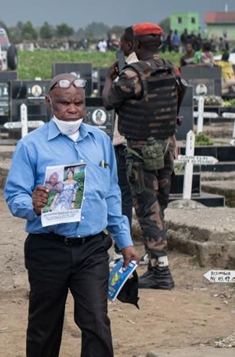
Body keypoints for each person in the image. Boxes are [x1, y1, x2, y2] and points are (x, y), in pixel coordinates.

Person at [4, 73, 140, 357]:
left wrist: (124, 240)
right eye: (64, 103)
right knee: (44, 326)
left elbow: (112, 196)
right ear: (49, 103)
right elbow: (14, 197)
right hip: (48, 248)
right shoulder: (31, 146)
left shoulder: (99, 143)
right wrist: (30, 204)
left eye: (79, 102)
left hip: (93, 248)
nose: (72, 109)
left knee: (96, 324)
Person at [103, 22, 186, 290]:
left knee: (147, 209)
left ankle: (161, 270)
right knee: (159, 207)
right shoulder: (170, 68)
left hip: (140, 149)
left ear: (136, 46)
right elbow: (181, 90)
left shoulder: (132, 75)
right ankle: (156, 263)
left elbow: (109, 101)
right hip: (164, 147)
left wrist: (108, 79)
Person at [106, 27, 138, 229]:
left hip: (125, 140)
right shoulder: (156, 68)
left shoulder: (130, 71)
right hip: (148, 140)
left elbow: (109, 101)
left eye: (122, 43)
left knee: (123, 193)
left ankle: (122, 246)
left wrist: (109, 78)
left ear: (130, 45)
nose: (120, 46)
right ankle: (155, 252)